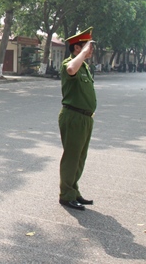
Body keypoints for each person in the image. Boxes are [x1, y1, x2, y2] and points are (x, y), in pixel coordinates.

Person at [58, 27, 97, 211]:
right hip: (73, 116)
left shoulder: (85, 67)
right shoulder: (70, 63)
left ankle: (74, 190)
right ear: (77, 49)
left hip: (85, 118)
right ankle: (66, 195)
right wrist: (82, 52)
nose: (91, 51)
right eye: (88, 47)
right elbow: (72, 68)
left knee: (80, 158)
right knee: (72, 157)